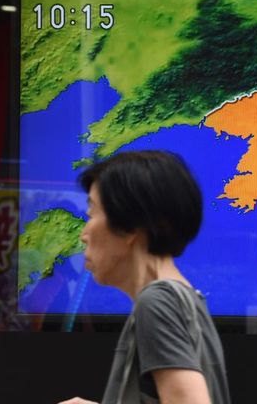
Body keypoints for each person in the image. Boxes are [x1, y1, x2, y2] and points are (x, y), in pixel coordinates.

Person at [59, 150, 231, 404]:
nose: (84, 233)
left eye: (92, 214)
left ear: (130, 226)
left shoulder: (157, 302)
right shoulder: (184, 299)